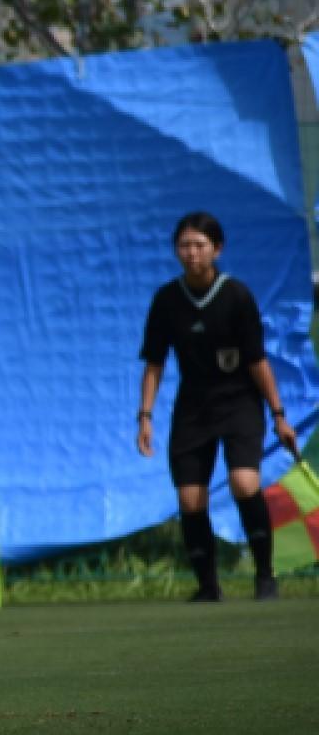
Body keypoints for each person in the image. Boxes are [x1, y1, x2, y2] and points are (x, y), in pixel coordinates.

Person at [137, 212, 297, 602]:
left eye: (200, 245)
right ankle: (208, 587)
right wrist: (145, 417)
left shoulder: (236, 296)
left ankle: (265, 576)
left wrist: (279, 416)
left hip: (240, 403)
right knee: (190, 499)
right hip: (193, 408)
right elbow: (154, 364)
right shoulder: (166, 300)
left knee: (244, 483)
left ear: (217, 249)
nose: (191, 253)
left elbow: (257, 361)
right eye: (184, 245)